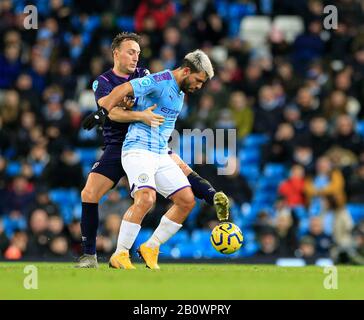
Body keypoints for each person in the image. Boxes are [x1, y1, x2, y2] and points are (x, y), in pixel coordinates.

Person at [78, 34, 229, 268]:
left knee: (184, 194)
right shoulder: (105, 81)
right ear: (116, 53)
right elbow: (115, 108)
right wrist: (111, 111)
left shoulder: (147, 75)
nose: (136, 57)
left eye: (138, 52)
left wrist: (132, 107)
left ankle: (152, 245)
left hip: (153, 145)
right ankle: (93, 255)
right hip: (123, 144)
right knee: (92, 195)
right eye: (131, 52)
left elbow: (139, 98)